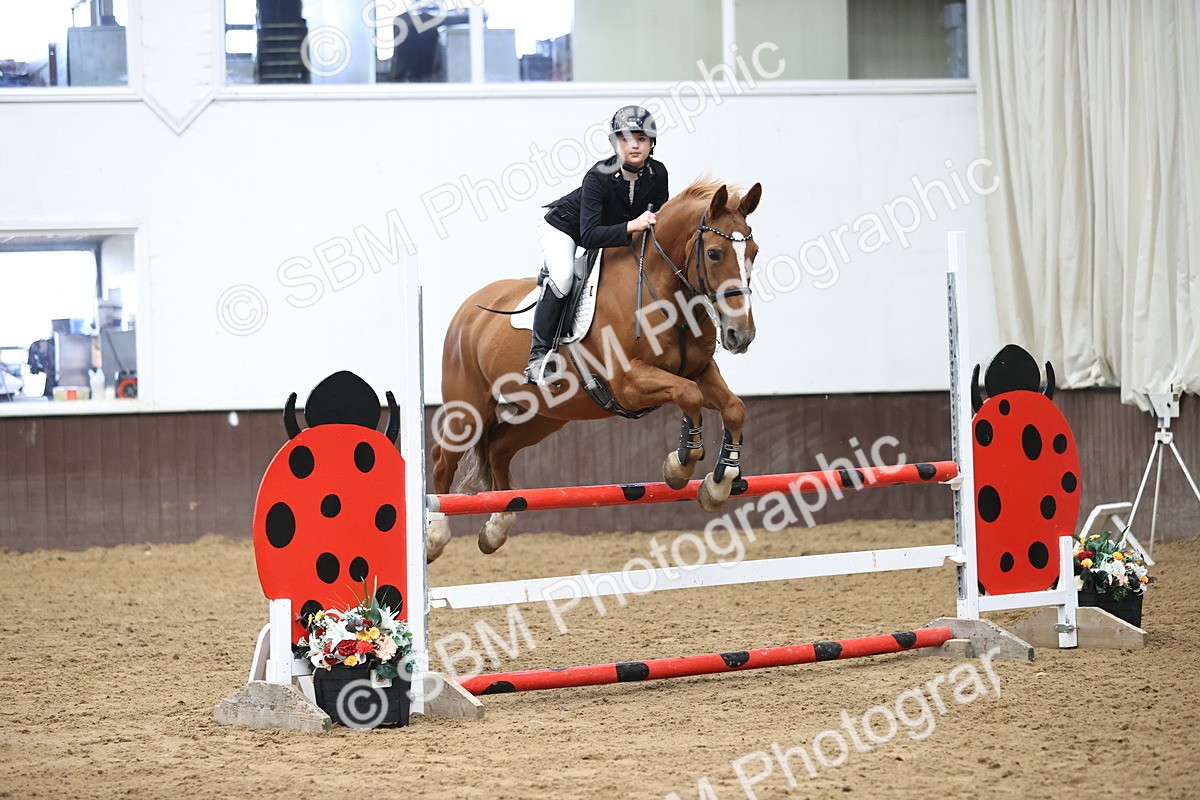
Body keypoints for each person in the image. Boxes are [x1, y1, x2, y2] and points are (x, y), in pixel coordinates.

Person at [524, 105, 670, 385]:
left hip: (612, 232)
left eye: (641, 139)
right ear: (615, 143)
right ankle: (538, 357)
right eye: (626, 139)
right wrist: (632, 226)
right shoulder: (598, 176)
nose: (634, 145)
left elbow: (656, 220)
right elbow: (589, 236)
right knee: (564, 276)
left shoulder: (659, 173)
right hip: (565, 228)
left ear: (652, 144)